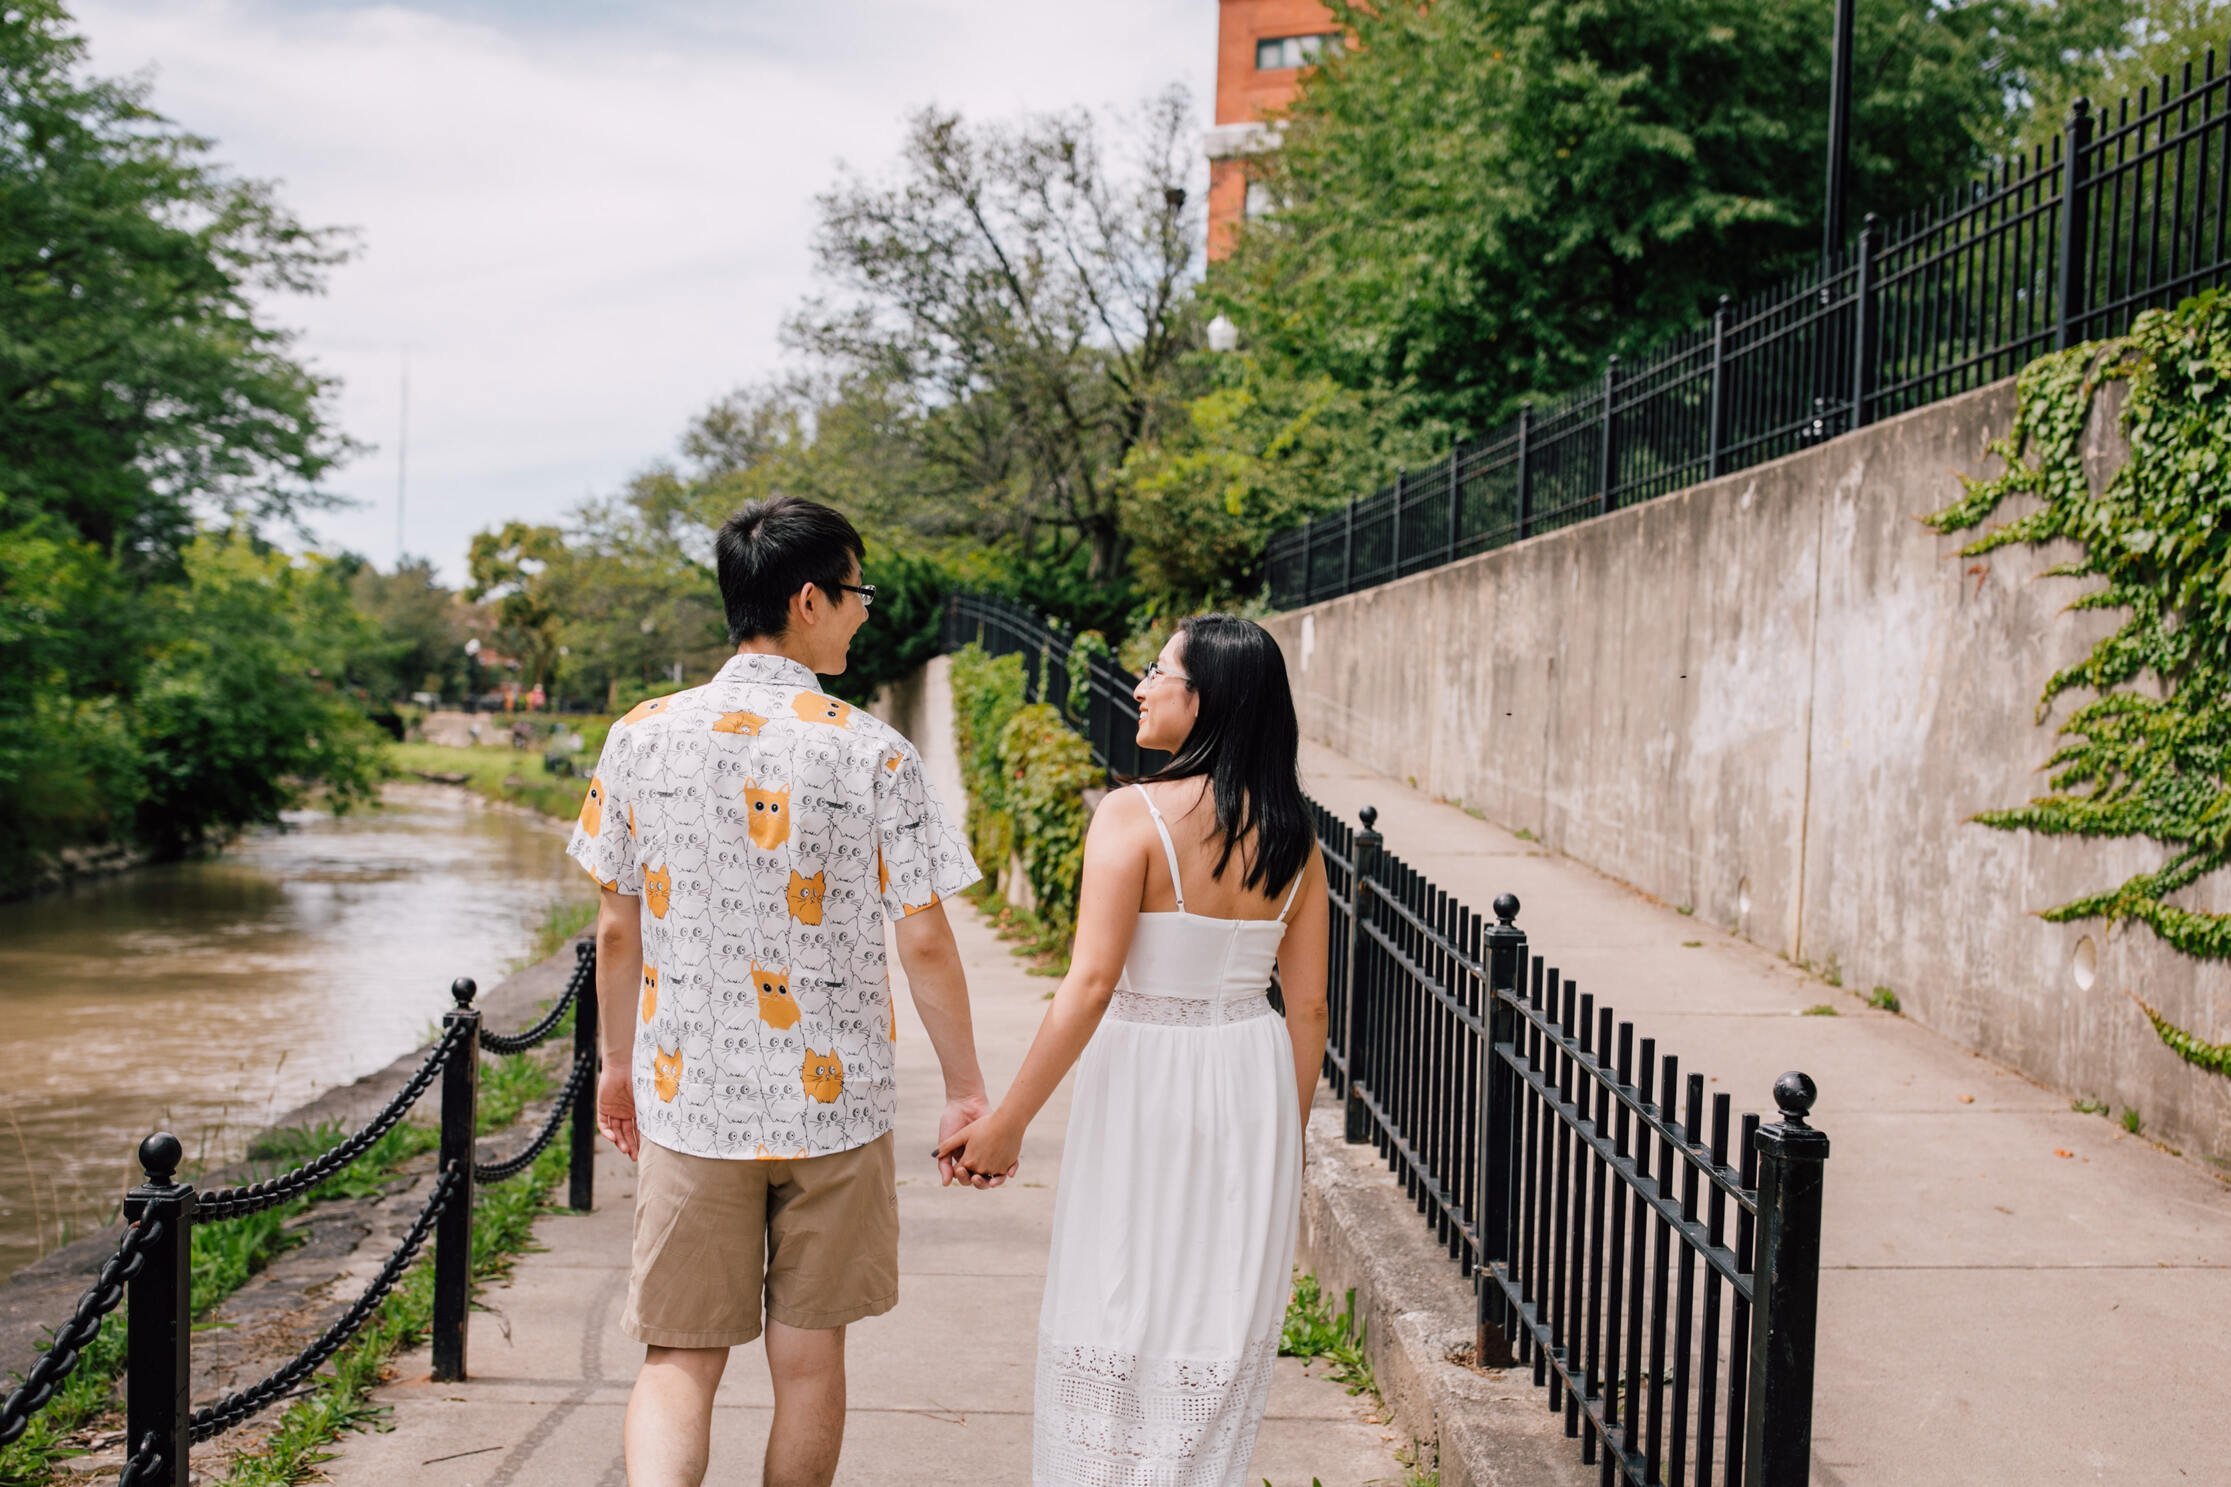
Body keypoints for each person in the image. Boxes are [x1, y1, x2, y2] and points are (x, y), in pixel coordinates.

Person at [567, 495, 994, 1487]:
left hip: (692, 1098)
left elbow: (616, 925)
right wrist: (965, 1088)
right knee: (809, 1359)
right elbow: (923, 939)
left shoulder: (640, 735)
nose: (863, 613)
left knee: (677, 1356)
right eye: (856, 592)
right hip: (832, 1108)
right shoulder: (872, 749)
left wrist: (617, 1064)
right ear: (808, 598)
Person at [938, 614, 1331, 1485]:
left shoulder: (1132, 814)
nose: (1142, 684)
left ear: (1206, 700)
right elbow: (1307, 1006)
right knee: (1213, 1318)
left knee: (1117, 1294)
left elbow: (1088, 983)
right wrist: (1286, 1136)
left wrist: (1007, 1123)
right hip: (1251, 1076)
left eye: (1159, 671)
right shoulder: (1295, 836)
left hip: (1147, 1072)